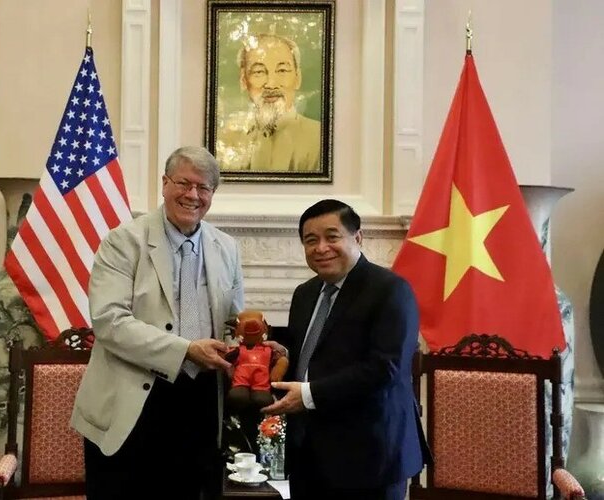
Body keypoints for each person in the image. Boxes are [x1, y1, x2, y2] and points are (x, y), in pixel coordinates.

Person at [71, 146, 245, 499]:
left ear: (213, 194)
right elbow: (110, 322)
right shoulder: (123, 241)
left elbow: (232, 321)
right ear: (165, 184)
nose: (193, 195)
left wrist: (248, 343)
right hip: (131, 403)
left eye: (204, 187)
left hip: (200, 404)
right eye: (184, 183)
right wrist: (185, 350)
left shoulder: (227, 247)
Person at [262, 199, 431, 500]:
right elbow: (311, 355)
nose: (321, 248)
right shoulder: (305, 294)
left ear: (358, 237)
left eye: (332, 236)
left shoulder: (391, 289)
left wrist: (308, 395)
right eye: (310, 240)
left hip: (370, 457)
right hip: (309, 453)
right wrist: (282, 355)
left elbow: (386, 368)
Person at [217, 33, 321, 172]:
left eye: (282, 70)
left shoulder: (319, 138)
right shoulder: (225, 139)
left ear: (298, 78)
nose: (271, 85)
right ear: (243, 80)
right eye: (259, 72)